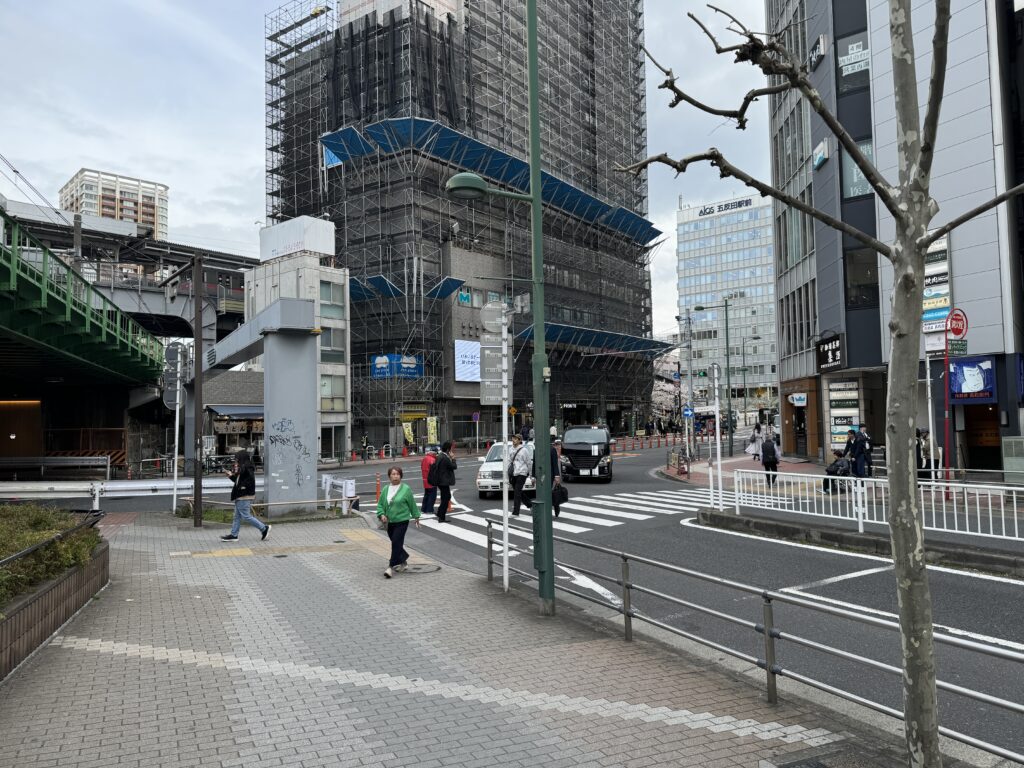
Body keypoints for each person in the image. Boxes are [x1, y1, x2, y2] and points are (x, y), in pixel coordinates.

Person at [376, 465, 421, 578]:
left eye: (397, 474)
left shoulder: (406, 489)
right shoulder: (386, 489)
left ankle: (390, 567)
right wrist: (381, 515)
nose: (395, 476)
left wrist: (416, 516)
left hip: (402, 520)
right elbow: (380, 504)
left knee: (396, 542)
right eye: (393, 474)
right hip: (390, 522)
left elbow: (412, 504)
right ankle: (403, 561)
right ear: (389, 476)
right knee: (396, 543)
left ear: (401, 476)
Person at [220, 450, 270, 542]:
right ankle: (234, 535)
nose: (236, 461)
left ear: (242, 458)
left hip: (244, 495)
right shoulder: (244, 467)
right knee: (237, 516)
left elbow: (249, 481)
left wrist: (243, 487)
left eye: (237, 459)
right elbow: (239, 481)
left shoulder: (247, 467)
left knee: (246, 516)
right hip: (241, 495)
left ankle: (264, 528)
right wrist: (230, 476)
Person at [432, 441, 457, 522]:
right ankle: (441, 516)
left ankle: (440, 513)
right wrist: (453, 459)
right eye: (450, 449)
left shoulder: (440, 456)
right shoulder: (445, 458)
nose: (451, 450)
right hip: (444, 481)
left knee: (445, 497)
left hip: (440, 481)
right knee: (446, 498)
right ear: (448, 449)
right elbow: (453, 466)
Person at [508, 435, 533, 516]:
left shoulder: (524, 450)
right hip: (514, 473)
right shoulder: (510, 449)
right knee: (518, 491)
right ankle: (530, 504)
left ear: (519, 440)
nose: (513, 440)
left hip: (522, 473)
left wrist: (531, 475)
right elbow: (509, 461)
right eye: (513, 438)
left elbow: (529, 462)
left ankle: (516, 512)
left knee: (517, 493)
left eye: (515, 439)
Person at [420, 446, 438, 517]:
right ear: (434, 453)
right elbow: (435, 471)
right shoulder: (433, 460)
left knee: (426, 494)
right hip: (432, 480)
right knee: (432, 495)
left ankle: (423, 509)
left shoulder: (424, 458)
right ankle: (429, 510)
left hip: (425, 479)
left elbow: (421, 467)